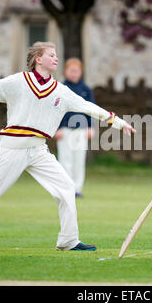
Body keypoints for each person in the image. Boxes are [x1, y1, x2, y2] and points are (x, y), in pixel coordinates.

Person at [0, 41, 135, 251]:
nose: (56, 58)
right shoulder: (18, 82)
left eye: (56, 55)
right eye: (51, 55)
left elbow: (87, 107)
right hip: (12, 149)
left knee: (66, 188)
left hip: (39, 150)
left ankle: (68, 241)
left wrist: (118, 122)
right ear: (38, 59)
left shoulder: (61, 91)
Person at [54, 58, 95, 198]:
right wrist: (56, 128)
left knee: (79, 160)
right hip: (65, 129)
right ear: (65, 71)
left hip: (81, 130)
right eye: (71, 71)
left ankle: (77, 188)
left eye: (76, 71)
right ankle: (66, 189)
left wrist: (91, 127)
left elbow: (91, 109)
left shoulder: (86, 89)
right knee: (65, 160)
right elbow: (56, 110)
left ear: (81, 72)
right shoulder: (60, 88)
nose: (74, 74)